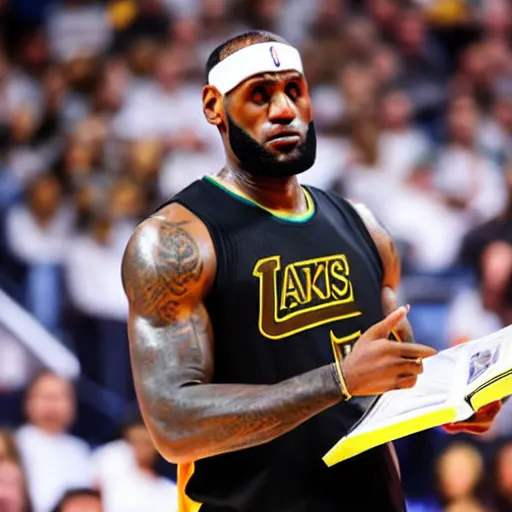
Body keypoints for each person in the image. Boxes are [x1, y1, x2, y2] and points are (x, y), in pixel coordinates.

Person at [121, 31, 501, 512]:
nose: (283, 110)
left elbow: (391, 375)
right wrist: (338, 381)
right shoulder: (174, 243)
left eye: (294, 91)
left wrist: (454, 398)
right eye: (259, 95)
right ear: (214, 106)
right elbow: (173, 426)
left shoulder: (363, 225)